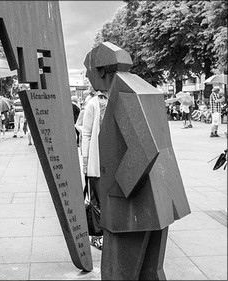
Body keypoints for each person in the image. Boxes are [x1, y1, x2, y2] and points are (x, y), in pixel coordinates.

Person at [84, 42, 190, 280]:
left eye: (88, 71)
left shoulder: (122, 93)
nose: (88, 77)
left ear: (100, 70)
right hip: (160, 200)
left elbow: (143, 151)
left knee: (117, 274)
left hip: (133, 206)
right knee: (151, 272)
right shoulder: (144, 88)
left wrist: (117, 192)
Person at [81, 90, 108, 250]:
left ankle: (107, 233)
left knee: (108, 200)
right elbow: (86, 133)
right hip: (97, 161)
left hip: (112, 161)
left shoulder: (115, 98)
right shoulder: (93, 103)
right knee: (96, 200)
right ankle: (97, 236)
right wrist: (86, 161)